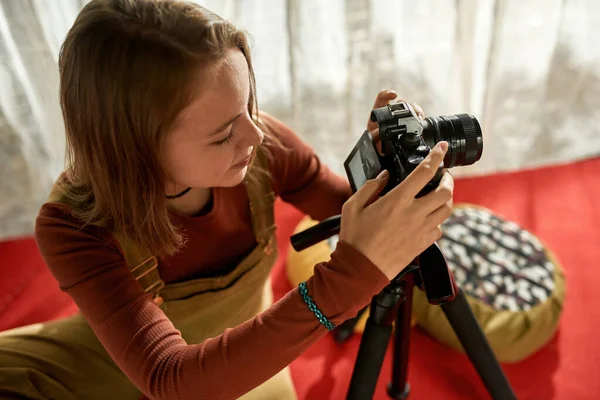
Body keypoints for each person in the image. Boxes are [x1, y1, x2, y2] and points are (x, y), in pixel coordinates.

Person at [0, 0, 454, 399]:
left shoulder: (263, 142)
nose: (256, 135)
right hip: (118, 353)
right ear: (133, 146)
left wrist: (387, 176)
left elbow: (340, 208)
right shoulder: (73, 224)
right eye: (222, 135)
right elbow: (169, 379)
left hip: (246, 345)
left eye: (250, 106)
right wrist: (348, 278)